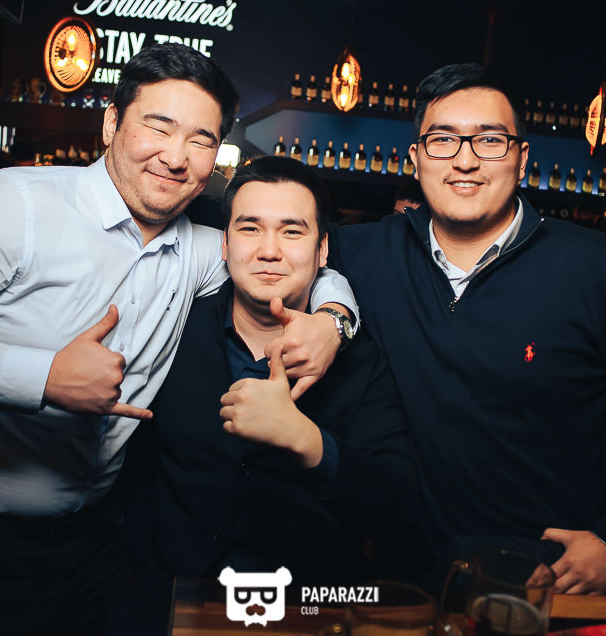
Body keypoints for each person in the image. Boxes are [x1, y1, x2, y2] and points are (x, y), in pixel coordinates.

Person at [0, 44, 357, 635]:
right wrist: (40, 377)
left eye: (201, 140)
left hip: (101, 548)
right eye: (158, 126)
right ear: (111, 124)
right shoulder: (15, 206)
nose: (175, 157)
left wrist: (332, 320)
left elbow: (292, 259)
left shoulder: (199, 249)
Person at [326, 63, 606, 596]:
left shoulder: (600, 270)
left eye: (490, 140)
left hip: (542, 584)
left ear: (522, 158)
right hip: (399, 580)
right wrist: (331, 313)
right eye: (443, 140)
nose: (465, 159)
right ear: (416, 158)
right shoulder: (365, 253)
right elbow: (265, 242)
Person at [111, 156, 416, 632]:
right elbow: (139, 465)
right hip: (173, 603)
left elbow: (397, 506)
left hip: (306, 611)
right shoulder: (175, 331)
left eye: (292, 232)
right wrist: (141, 568)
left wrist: (307, 441)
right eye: (250, 229)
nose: (269, 251)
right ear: (225, 243)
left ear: (322, 249)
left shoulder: (362, 360)